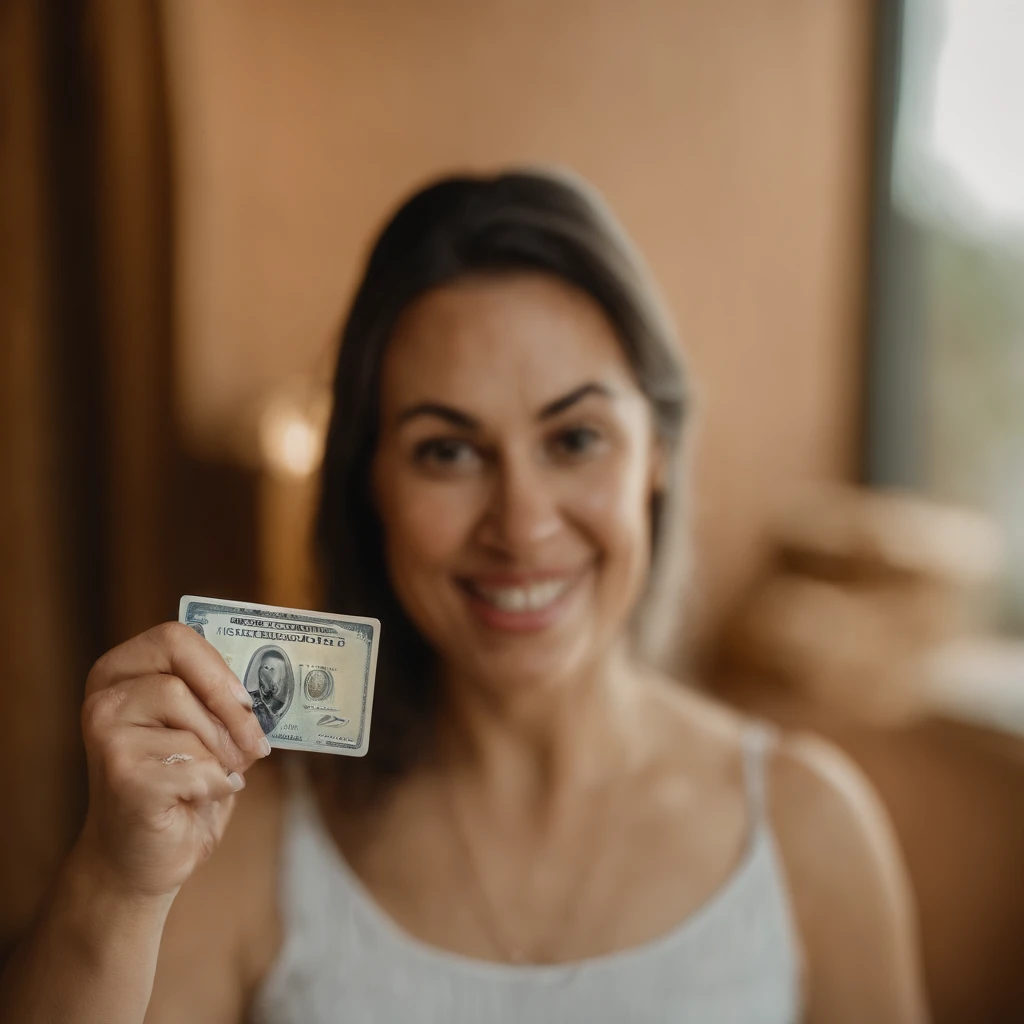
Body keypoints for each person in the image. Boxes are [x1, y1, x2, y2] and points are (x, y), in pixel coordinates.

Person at [0, 169, 929, 1023]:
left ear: (659, 455)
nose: (521, 527)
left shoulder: (812, 834)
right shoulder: (244, 838)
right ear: (370, 486)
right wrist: (114, 887)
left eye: (575, 439)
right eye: (447, 451)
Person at [249, 647, 291, 734]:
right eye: (265, 667)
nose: (265, 671)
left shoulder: (277, 706)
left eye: (271, 669)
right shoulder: (250, 696)